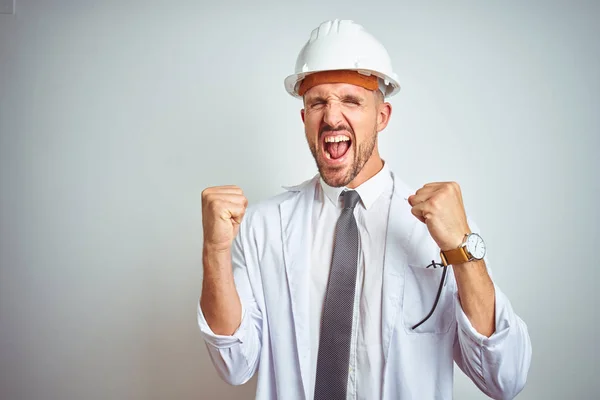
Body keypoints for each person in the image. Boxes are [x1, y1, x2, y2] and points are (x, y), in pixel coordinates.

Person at [197, 19, 532, 400]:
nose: (332, 117)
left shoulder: (443, 230)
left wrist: (463, 251)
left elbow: (505, 377)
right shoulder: (263, 227)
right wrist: (214, 252)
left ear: (382, 116)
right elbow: (234, 365)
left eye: (351, 100)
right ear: (304, 118)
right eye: (318, 102)